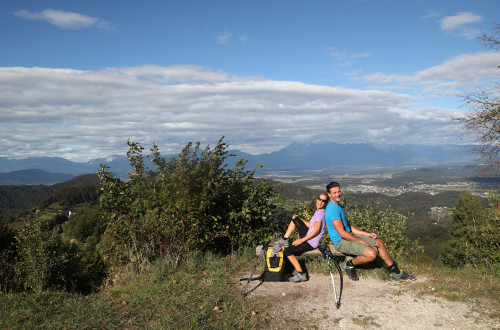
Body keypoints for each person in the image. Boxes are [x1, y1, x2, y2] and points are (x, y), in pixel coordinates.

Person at [325, 182, 416, 282]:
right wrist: (360, 240)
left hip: (349, 236)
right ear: (329, 195)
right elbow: (342, 233)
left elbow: (348, 227)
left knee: (379, 242)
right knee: (372, 254)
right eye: (334, 193)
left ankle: (395, 272)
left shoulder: (338, 206)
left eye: (339, 191)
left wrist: (366, 234)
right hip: (341, 241)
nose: (338, 194)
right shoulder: (332, 210)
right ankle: (348, 265)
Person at [276, 193, 328, 282]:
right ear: (317, 199)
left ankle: (301, 274)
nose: (320, 202)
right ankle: (284, 239)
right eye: (319, 199)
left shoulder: (320, 214)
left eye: (323, 201)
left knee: (288, 251)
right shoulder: (319, 211)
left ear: (326, 203)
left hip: (311, 242)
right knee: (295, 219)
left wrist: (301, 240)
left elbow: (316, 231)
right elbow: (311, 226)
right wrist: (300, 219)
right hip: (309, 237)